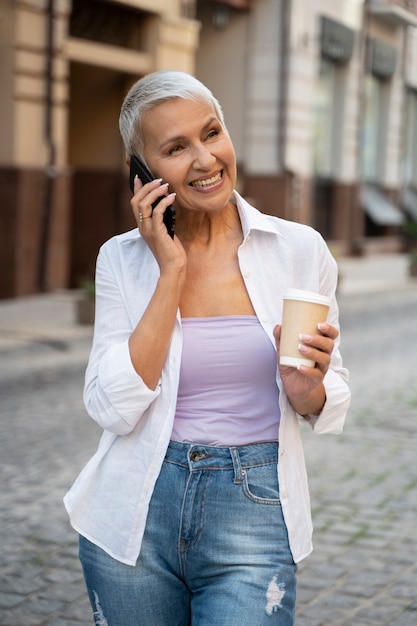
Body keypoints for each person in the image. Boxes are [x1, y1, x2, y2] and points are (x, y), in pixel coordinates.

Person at [64, 70, 350, 625]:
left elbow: (331, 391)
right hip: (134, 514)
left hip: (254, 511)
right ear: (141, 173)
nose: (205, 159)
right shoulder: (121, 260)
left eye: (211, 133)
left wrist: (308, 390)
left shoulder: (297, 249)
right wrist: (170, 269)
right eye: (175, 148)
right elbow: (113, 408)